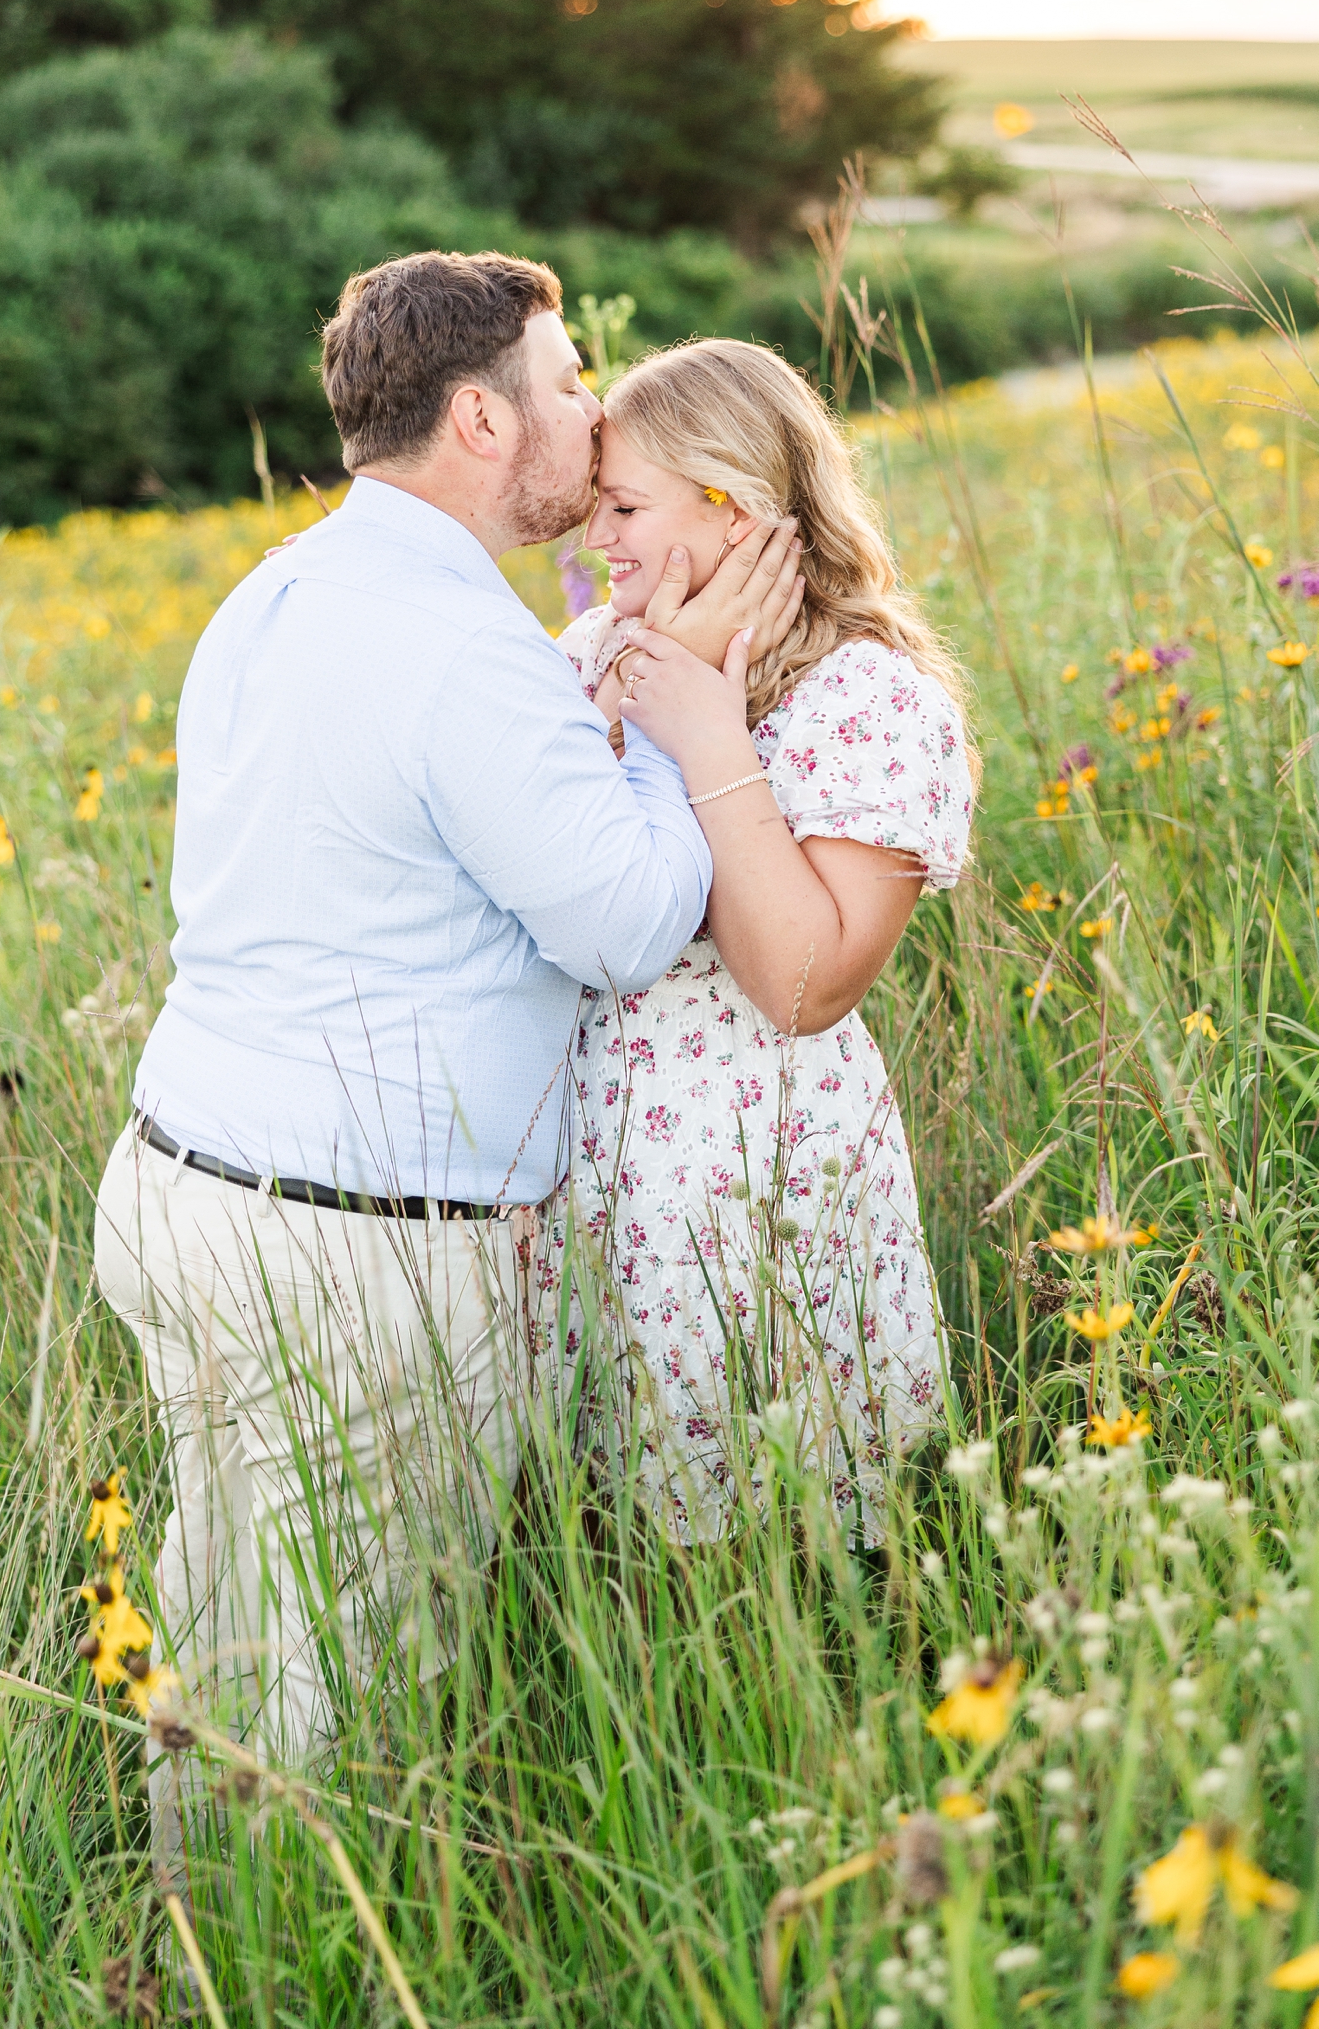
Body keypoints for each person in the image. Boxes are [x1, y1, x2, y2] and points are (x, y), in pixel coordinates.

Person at [90, 253, 796, 1868]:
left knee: (233, 1618)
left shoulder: (271, 595)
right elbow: (624, 926)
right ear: (480, 417)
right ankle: (286, 1953)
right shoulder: (464, 652)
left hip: (184, 1182)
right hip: (353, 1241)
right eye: (567, 384)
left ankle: (182, 1918)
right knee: (354, 1672)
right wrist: (684, 713)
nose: (595, 410)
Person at [532, 337, 975, 1542]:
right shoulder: (585, 661)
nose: (595, 541)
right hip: (585, 1193)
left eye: (623, 506)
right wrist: (644, 691)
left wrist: (707, 736)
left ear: (732, 507)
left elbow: (801, 984)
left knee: (787, 1568)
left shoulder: (865, 697)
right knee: (604, 1559)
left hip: (761, 1194)